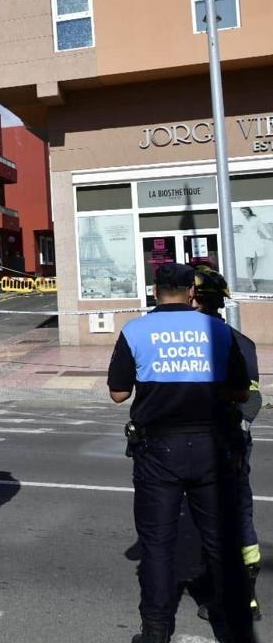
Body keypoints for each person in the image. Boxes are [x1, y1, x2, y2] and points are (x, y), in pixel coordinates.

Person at [108, 263, 254, 643]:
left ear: (155, 292)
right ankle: (233, 625)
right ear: (192, 291)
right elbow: (241, 391)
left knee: (157, 546)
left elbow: (118, 393)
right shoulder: (218, 330)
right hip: (210, 446)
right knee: (220, 540)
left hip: (157, 450)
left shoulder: (135, 330)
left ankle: (156, 630)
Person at [190, 265, 263, 621]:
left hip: (215, 442)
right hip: (231, 441)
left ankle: (232, 596)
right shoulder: (241, 341)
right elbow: (254, 399)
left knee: (216, 517)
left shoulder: (200, 340)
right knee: (237, 515)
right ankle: (243, 594)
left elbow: (248, 399)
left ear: (194, 298)